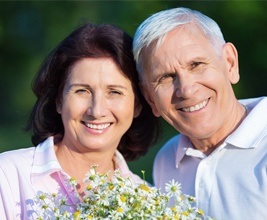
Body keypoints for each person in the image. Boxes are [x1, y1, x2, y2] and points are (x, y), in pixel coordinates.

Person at [133, 7, 267, 220]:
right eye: (165, 77)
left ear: (230, 63)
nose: (186, 89)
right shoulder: (166, 161)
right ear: (149, 98)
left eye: (197, 65)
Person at [0, 23, 160, 219]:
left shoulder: (148, 200)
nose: (97, 110)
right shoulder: (7, 175)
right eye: (82, 91)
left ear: (137, 105)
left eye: (114, 92)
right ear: (59, 100)